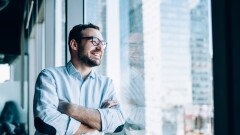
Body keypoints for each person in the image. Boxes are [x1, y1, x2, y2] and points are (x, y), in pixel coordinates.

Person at [33, 23, 125, 134]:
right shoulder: (49, 76)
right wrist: (96, 127)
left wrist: (70, 109)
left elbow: (118, 123)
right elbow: (45, 121)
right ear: (74, 45)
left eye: (102, 43)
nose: (100, 48)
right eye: (94, 41)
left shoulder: (106, 84)